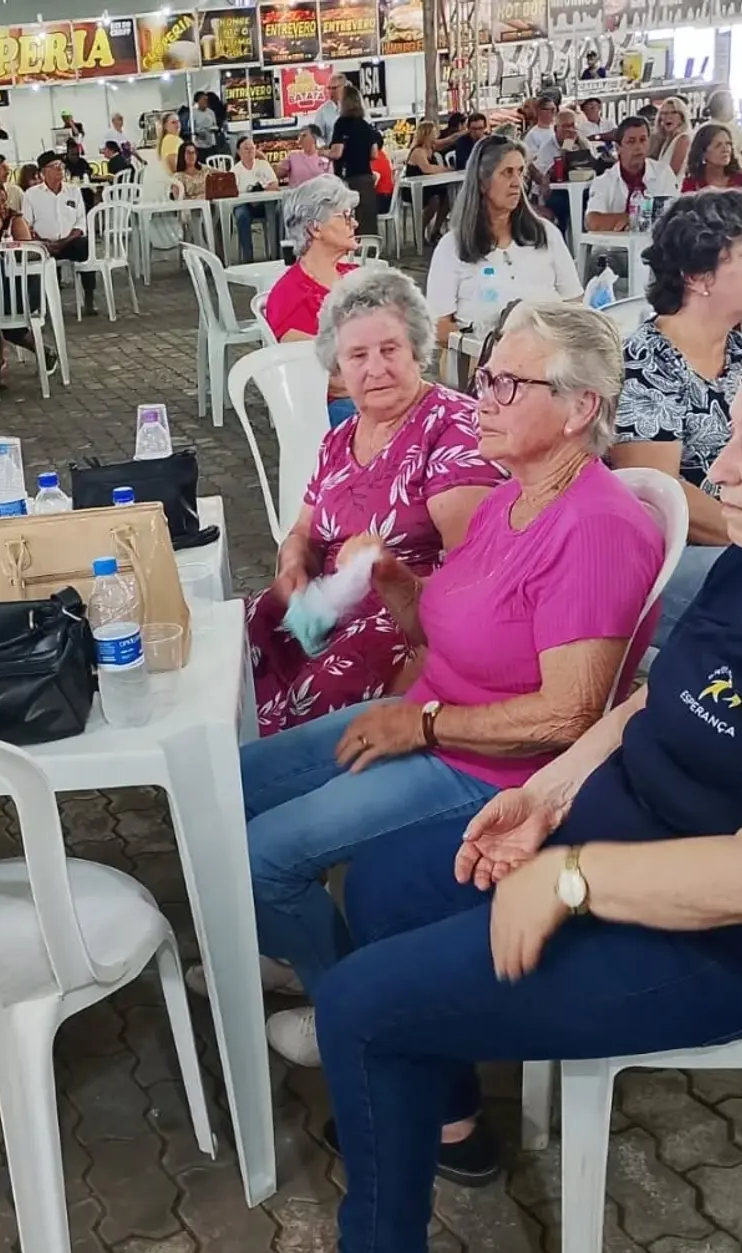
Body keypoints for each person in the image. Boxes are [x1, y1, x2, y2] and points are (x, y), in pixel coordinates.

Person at [233, 368, 742, 1253]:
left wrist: (571, 879)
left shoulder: (599, 521)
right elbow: (652, 699)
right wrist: (550, 792)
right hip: (613, 825)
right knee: (383, 886)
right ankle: (447, 1120)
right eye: (732, 433)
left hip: (707, 934)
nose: (719, 468)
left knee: (361, 1005)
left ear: (578, 403)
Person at [228, 300, 664, 1068]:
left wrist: (422, 724)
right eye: (485, 377)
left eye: (506, 384)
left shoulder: (595, 527)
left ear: (579, 409)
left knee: (265, 853)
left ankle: (349, 1011)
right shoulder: (511, 497)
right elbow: (439, 625)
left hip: (493, 767)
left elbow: (569, 715)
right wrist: (392, 576)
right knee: (227, 786)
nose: (481, 398)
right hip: (432, 716)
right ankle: (309, 947)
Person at [248, 266, 503, 739]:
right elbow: (302, 531)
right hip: (325, 610)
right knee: (241, 640)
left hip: (408, 622)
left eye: (390, 350)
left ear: (416, 350)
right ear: (337, 366)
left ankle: (290, 776)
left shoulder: (453, 430)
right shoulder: (339, 438)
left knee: (325, 687)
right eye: (357, 355)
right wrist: (294, 565)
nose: (375, 368)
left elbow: (474, 580)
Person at [612, 189, 742, 644]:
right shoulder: (644, 361)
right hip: (676, 554)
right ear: (698, 275)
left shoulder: (740, 353)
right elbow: (659, 494)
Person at [427, 136, 582, 348]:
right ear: (482, 182)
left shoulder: (545, 233)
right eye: (507, 173)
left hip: (548, 352)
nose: (517, 183)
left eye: (520, 172)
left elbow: (574, 301)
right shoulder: (453, 246)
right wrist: (490, 350)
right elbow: (439, 325)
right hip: (484, 358)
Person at [266, 176, 358, 421]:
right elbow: (327, 380)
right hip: (330, 412)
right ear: (315, 228)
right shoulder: (290, 296)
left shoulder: (356, 276)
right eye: (345, 216)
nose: (355, 223)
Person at [23, 155, 97, 317]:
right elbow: (26, 225)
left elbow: (81, 223)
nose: (59, 170)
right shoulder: (31, 195)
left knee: (86, 246)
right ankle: (41, 305)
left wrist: (64, 241)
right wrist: (44, 243)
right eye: (54, 166)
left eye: (61, 166)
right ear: (43, 172)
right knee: (32, 255)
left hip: (69, 241)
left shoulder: (73, 191)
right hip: (44, 244)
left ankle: (89, 299)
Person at [584, 116, 677, 232]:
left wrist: (634, 219)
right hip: (615, 244)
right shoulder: (604, 181)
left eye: (643, 140)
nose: (638, 147)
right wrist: (631, 218)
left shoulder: (663, 173)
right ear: (618, 148)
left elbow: (675, 214)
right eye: (631, 142)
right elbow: (592, 221)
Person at [327, 85, 380, 238]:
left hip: (347, 179)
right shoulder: (365, 125)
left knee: (348, 222)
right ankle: (370, 249)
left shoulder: (341, 124)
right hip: (366, 177)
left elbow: (337, 153)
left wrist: (322, 152)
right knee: (367, 222)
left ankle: (351, 249)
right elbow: (374, 154)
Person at [232, 136, 281, 264]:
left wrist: (261, 189)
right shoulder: (235, 170)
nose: (250, 151)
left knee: (278, 212)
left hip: (264, 204)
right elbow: (233, 194)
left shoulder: (263, 165)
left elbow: (274, 185)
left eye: (252, 148)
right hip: (245, 205)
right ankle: (248, 259)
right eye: (246, 148)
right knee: (241, 215)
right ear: (239, 152)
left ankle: (276, 255)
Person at [404, 120, 452, 243]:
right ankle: (420, 231)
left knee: (447, 196)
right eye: (434, 132)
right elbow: (427, 168)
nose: (436, 134)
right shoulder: (418, 151)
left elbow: (448, 141)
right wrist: (445, 169)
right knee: (434, 200)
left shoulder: (431, 149)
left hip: (430, 185)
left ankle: (436, 229)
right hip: (415, 188)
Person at [681, 121, 742, 192]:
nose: (726, 149)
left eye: (728, 144)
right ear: (703, 153)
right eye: (718, 145)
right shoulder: (692, 184)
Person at [651, 96, 692, 186]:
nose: (668, 117)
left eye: (673, 113)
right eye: (664, 113)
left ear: (682, 117)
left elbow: (672, 174)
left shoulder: (683, 139)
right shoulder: (666, 140)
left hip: (674, 190)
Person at [705, 87, 742, 154]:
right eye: (731, 104)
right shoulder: (710, 130)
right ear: (722, 107)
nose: (733, 108)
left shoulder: (731, 126)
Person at [313, 71, 347, 148]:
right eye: (328, 88)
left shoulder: (355, 106)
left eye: (334, 88)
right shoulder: (322, 111)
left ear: (344, 87)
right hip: (333, 152)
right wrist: (323, 146)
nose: (331, 91)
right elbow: (317, 136)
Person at [521, 96, 557, 163]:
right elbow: (532, 160)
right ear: (540, 111)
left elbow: (566, 149)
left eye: (555, 109)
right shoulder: (532, 136)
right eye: (551, 110)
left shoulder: (557, 128)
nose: (554, 113)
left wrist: (570, 140)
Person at [191, 90, 217, 159]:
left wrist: (214, 129)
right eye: (204, 99)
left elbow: (215, 125)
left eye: (207, 99)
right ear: (198, 101)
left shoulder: (211, 112)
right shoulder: (193, 113)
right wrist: (198, 133)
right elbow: (191, 129)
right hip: (200, 146)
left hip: (212, 144)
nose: (206, 101)